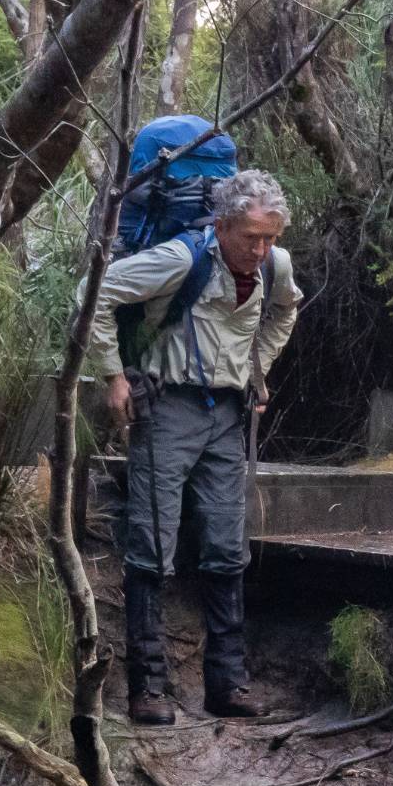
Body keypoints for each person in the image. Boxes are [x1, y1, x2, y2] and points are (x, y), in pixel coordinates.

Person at [87, 170, 303, 726]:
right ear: (223, 224)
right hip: (166, 409)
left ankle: (227, 684)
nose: (261, 249)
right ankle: (148, 688)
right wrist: (113, 375)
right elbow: (99, 290)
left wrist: (260, 369)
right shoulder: (182, 260)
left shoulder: (273, 267)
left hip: (228, 415)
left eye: (270, 237)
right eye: (251, 236)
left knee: (228, 549)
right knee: (150, 548)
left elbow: (286, 310)